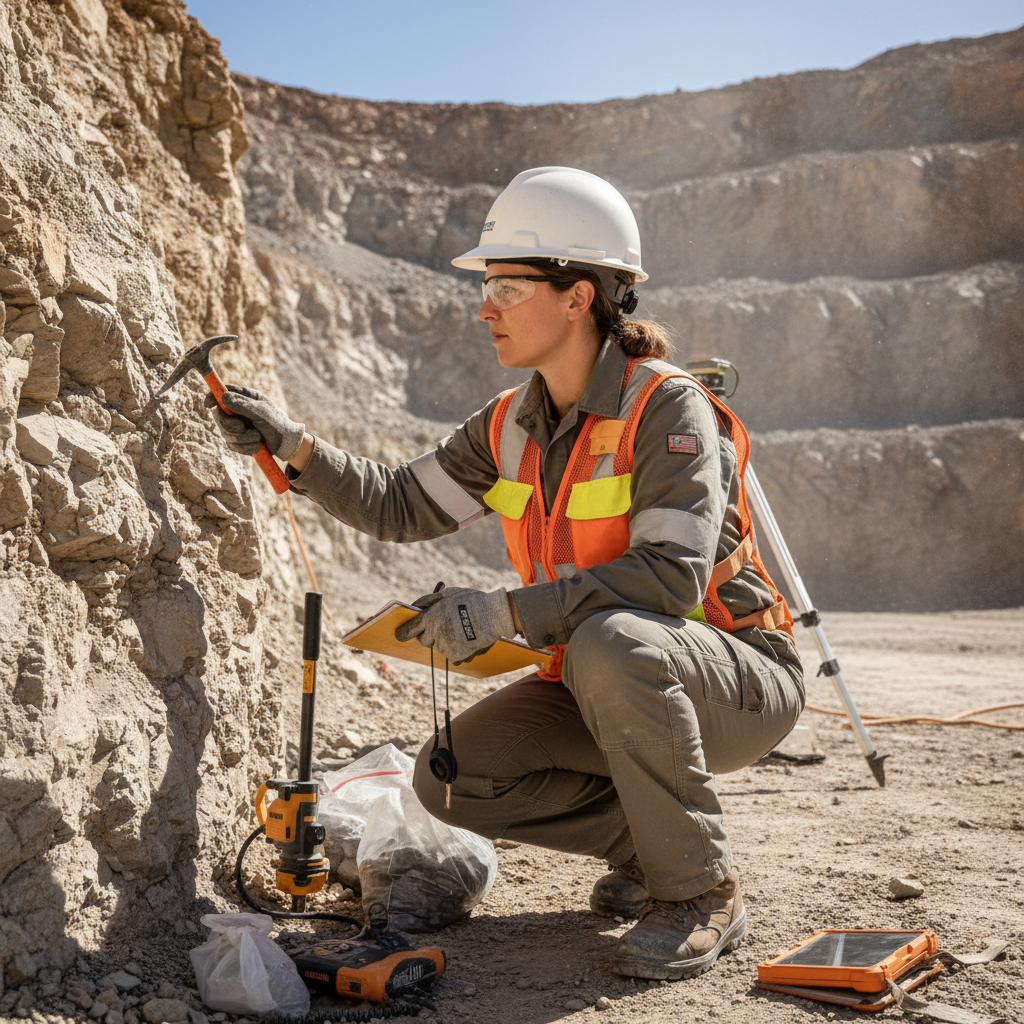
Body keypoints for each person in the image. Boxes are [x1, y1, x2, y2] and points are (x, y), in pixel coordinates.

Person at [208, 166, 805, 981]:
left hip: (737, 679)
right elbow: (399, 503)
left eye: (507, 288)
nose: (484, 308)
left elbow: (669, 579)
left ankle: (700, 891)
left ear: (579, 296)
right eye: (485, 288)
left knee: (613, 641)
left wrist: (506, 614)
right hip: (604, 673)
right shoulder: (508, 424)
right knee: (452, 776)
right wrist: (294, 447)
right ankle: (650, 848)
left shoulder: (666, 406)